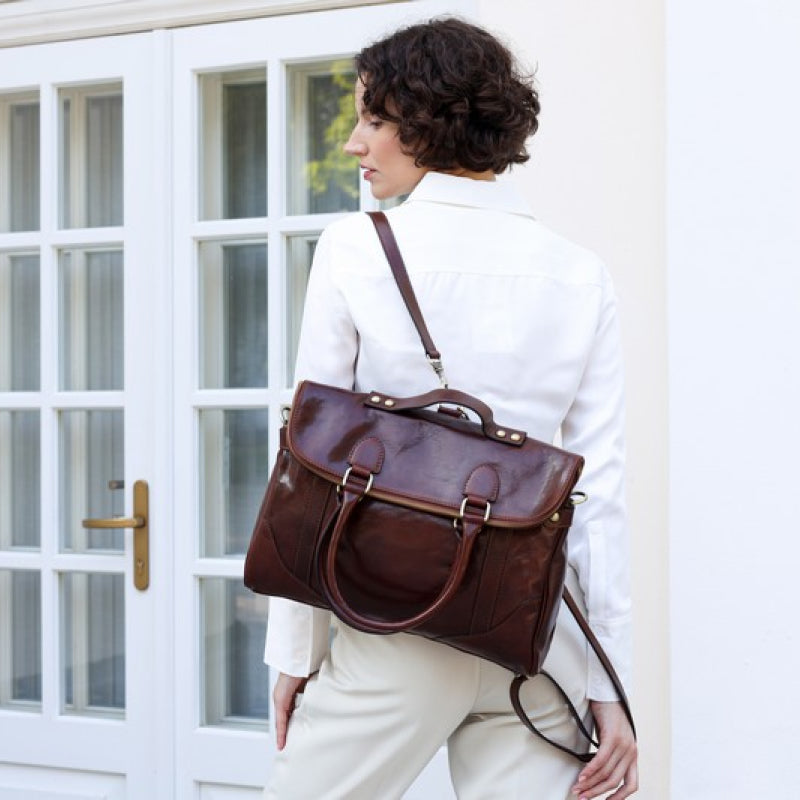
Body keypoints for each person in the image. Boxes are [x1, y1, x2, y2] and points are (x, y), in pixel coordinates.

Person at [264, 17, 637, 800]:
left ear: (426, 122)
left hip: (394, 627)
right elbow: (598, 498)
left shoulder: (354, 249)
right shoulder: (581, 274)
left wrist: (294, 655)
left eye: (373, 118)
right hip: (538, 644)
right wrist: (611, 684)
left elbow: (302, 466)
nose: (355, 143)